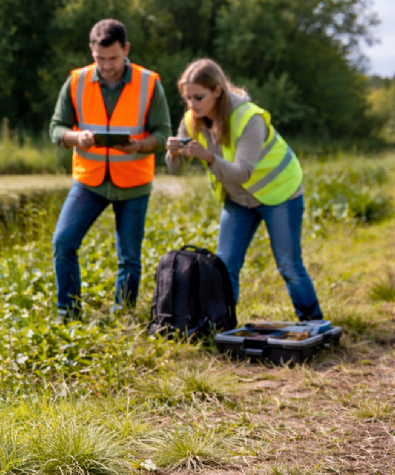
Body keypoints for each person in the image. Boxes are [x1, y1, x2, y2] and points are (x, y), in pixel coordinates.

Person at [166, 58, 323, 321]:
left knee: (289, 266)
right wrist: (173, 154)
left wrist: (209, 158)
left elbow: (243, 173)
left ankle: (315, 324)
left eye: (198, 97)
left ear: (217, 90)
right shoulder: (192, 120)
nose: (192, 105)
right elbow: (176, 168)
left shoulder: (250, 118)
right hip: (238, 200)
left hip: (279, 193)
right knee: (225, 267)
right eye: (187, 98)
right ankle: (223, 325)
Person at [49, 19, 171, 319]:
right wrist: (76, 137)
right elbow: (56, 129)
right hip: (88, 182)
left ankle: (123, 316)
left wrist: (140, 146)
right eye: (100, 58)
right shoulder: (76, 81)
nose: (106, 65)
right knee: (63, 242)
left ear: (126, 49)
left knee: (129, 257)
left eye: (113, 58)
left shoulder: (149, 82)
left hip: (133, 183)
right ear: (92, 51)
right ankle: (68, 312)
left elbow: (162, 132)